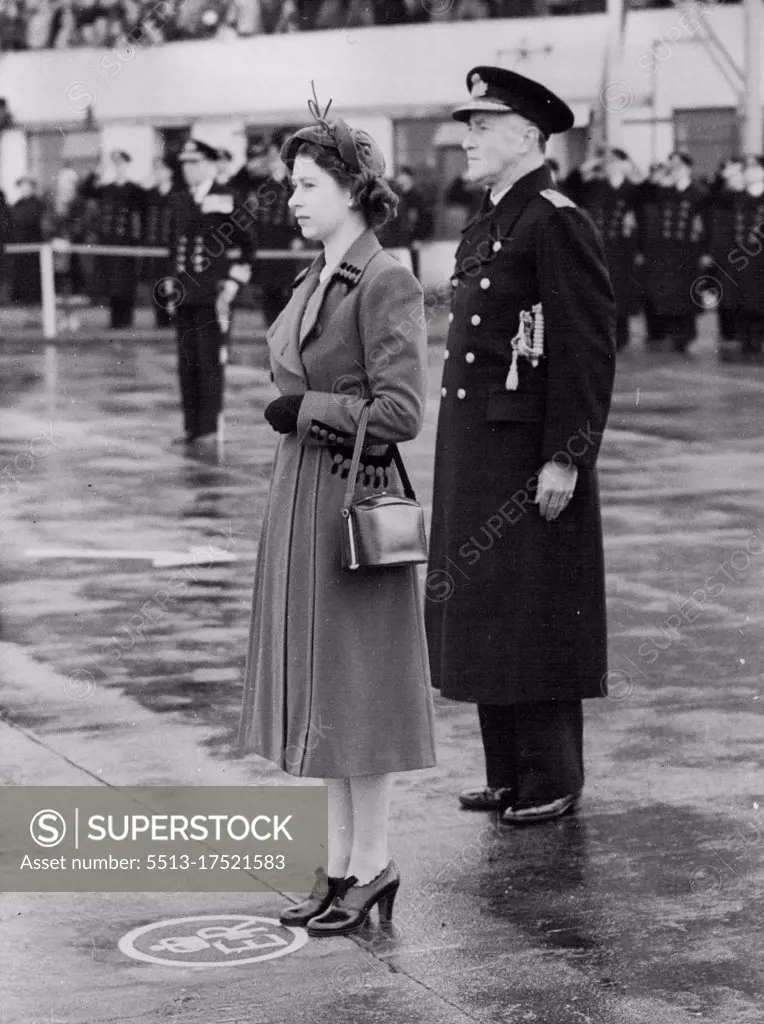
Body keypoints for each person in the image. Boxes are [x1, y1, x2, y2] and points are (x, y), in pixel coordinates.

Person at [237, 100, 435, 935]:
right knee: (323, 690)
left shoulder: (384, 279)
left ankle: (376, 859)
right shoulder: (316, 274)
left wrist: (308, 406)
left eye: (309, 184)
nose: (294, 197)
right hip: (305, 495)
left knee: (359, 693)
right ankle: (346, 867)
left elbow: (402, 411)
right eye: (293, 184)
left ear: (353, 190)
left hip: (349, 503)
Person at [426, 66, 615, 825]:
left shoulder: (554, 217)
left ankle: (553, 777)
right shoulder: (495, 215)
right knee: (487, 608)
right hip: (480, 447)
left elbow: (586, 346)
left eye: (482, 125)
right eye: (467, 125)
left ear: (530, 136)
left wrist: (567, 453)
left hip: (528, 452)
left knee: (534, 608)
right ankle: (507, 772)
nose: (467, 138)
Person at [166, 138, 253, 446]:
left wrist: (233, 284)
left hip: (214, 297)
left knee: (209, 362)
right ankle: (193, 428)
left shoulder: (227, 197)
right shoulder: (179, 200)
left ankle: (208, 428)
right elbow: (172, 248)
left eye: (194, 164)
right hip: (184, 295)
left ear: (208, 165)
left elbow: (247, 249)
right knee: (186, 363)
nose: (188, 170)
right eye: (185, 164)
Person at [230, 132, 306, 327]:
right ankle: (270, 324)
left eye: (277, 158)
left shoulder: (295, 183)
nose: (273, 162)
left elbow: (301, 211)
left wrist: (298, 235)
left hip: (286, 238)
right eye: (271, 158)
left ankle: (287, 325)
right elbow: (239, 183)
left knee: (286, 285)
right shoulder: (261, 182)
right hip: (265, 238)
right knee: (268, 286)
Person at [636, 151, 705, 353]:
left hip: (688, 251)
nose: (673, 171)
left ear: (687, 169)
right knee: (670, 294)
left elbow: (705, 222)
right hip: (666, 252)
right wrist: (656, 179)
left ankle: (686, 333)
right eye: (671, 167)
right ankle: (675, 334)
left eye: (677, 167)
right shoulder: (665, 191)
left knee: (687, 293)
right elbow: (641, 195)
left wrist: (704, 250)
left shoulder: (698, 192)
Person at [577, 148, 641, 350]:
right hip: (599, 245)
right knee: (599, 290)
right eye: (608, 162)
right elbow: (573, 181)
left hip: (622, 248)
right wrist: (594, 161)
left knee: (620, 291)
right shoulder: (596, 185)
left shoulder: (633, 189)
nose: (611, 165)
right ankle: (603, 335)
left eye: (615, 161)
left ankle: (621, 336)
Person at [80, 149, 146, 329]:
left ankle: (126, 321)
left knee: (126, 284)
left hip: (127, 243)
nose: (119, 168)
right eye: (115, 165)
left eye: (122, 164)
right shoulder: (106, 189)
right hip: (108, 243)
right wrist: (96, 173)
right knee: (112, 285)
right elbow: (84, 191)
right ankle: (115, 322)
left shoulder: (135, 189)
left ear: (127, 166)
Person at [143, 157, 178, 329]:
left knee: (173, 285)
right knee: (156, 286)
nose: (158, 173)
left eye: (161, 169)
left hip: (172, 249)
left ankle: (174, 321)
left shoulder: (178, 194)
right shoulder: (151, 195)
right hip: (155, 248)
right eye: (155, 169)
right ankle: (161, 322)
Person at [10, 176, 47, 305]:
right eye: (22, 186)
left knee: (33, 278)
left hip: (33, 248)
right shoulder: (17, 205)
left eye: (27, 186)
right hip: (19, 247)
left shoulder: (37, 204)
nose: (24, 189)